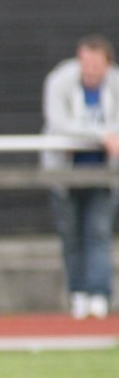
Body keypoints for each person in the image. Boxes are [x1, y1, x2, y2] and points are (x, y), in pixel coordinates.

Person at [41, 33, 119, 319]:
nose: (90, 71)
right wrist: (100, 136)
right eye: (85, 64)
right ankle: (78, 293)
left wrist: (103, 138)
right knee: (70, 236)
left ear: (107, 65)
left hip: (103, 175)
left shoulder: (115, 85)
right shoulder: (59, 81)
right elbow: (58, 124)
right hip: (65, 175)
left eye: (96, 66)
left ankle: (99, 294)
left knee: (98, 233)